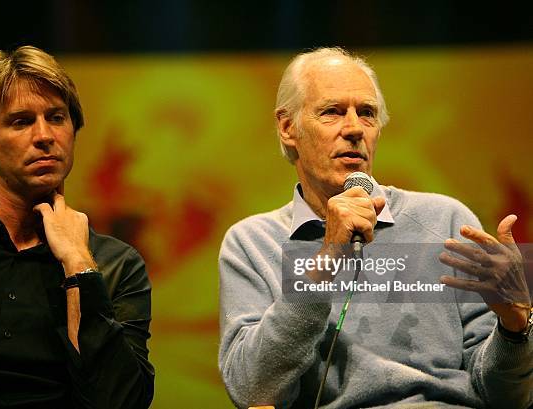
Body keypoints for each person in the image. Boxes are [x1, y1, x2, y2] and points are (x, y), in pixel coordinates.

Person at [218, 47, 532, 408]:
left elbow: (508, 398)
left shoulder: (446, 221)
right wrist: (327, 259)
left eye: (366, 113)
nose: (353, 129)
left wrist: (514, 329)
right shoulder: (254, 243)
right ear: (288, 127)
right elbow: (251, 389)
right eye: (332, 112)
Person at [0, 46, 154, 408]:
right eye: (21, 121)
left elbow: (122, 401)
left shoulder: (117, 265)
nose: (44, 135)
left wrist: (78, 263)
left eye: (57, 118)